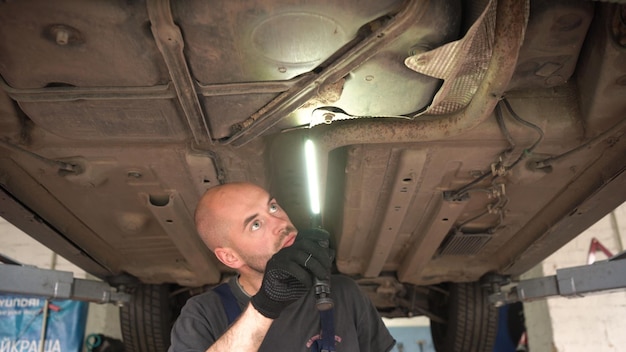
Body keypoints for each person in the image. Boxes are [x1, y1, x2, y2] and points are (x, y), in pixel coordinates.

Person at [168, 182, 395, 352]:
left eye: (273, 207)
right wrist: (266, 304)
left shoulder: (343, 293)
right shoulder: (203, 313)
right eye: (256, 224)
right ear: (230, 257)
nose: (281, 224)